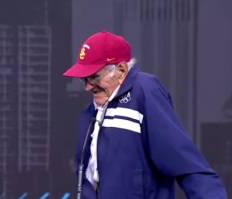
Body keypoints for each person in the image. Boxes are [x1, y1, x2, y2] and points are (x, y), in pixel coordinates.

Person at [63, 30, 228, 198]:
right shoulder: (90, 112)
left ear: (121, 70)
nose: (88, 87)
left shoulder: (145, 92)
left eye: (94, 77)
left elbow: (185, 163)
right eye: (85, 79)